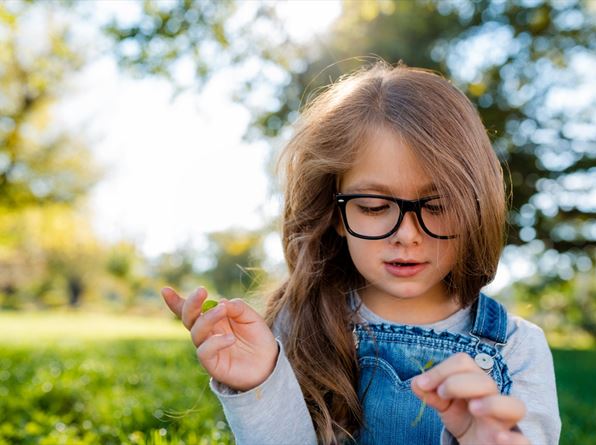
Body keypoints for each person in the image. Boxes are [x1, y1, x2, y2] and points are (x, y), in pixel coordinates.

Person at [161, 61, 561, 445]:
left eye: (437, 206)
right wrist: (259, 384)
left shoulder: (516, 348)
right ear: (335, 213)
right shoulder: (301, 322)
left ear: (475, 208)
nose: (407, 235)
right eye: (373, 206)